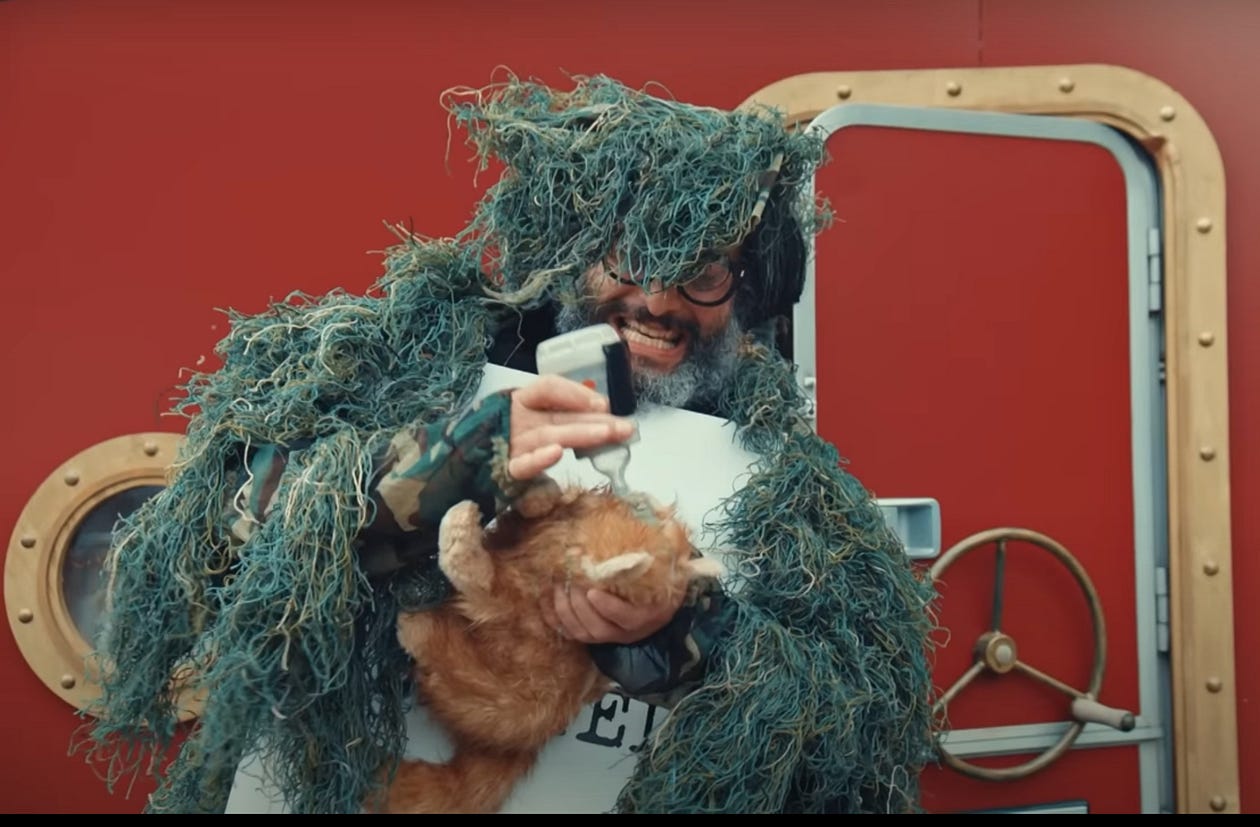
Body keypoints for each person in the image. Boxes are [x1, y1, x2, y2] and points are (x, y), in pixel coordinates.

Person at [84, 74, 939, 814]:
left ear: (742, 290)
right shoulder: (412, 361)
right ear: (574, 251)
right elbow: (221, 542)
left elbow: (859, 728)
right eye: (629, 254)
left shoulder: (783, 474)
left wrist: (677, 630)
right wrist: (447, 469)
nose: (659, 300)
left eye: (704, 273)